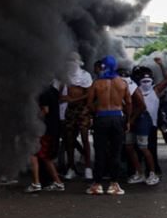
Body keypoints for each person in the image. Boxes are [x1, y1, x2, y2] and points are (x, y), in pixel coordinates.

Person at [86, 55, 131, 196]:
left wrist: (96, 113)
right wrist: (127, 120)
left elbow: (89, 103)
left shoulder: (97, 83)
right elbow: (129, 103)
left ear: (103, 67)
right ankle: (114, 185)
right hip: (118, 117)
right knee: (115, 152)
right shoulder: (123, 83)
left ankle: (97, 185)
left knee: (99, 152)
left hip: (101, 118)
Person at [61, 54, 94, 182]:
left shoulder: (85, 76)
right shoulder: (66, 76)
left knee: (85, 138)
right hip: (70, 111)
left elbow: (88, 95)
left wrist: (72, 99)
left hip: (82, 110)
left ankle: (88, 167)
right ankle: (71, 168)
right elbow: (61, 92)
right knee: (69, 139)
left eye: (72, 61)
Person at [27, 85, 64, 193]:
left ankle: (36, 183)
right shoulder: (53, 90)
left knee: (34, 154)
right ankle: (57, 182)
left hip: (45, 129)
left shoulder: (43, 92)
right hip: (53, 127)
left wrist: (33, 120)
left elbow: (45, 110)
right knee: (45, 157)